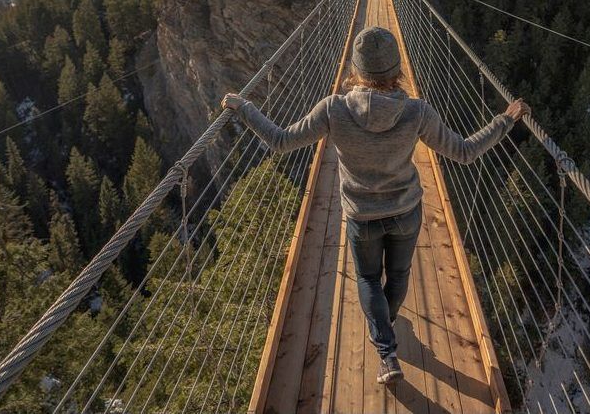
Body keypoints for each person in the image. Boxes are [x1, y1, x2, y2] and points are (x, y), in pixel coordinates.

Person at [221, 26, 530, 385]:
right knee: (397, 276)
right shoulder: (417, 112)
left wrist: (244, 108)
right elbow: (464, 152)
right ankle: (386, 320)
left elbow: (280, 141)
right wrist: (505, 119)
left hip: (361, 217)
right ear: (397, 70)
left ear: (355, 70)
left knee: (368, 278)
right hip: (405, 213)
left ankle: (387, 353)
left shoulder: (333, 109)